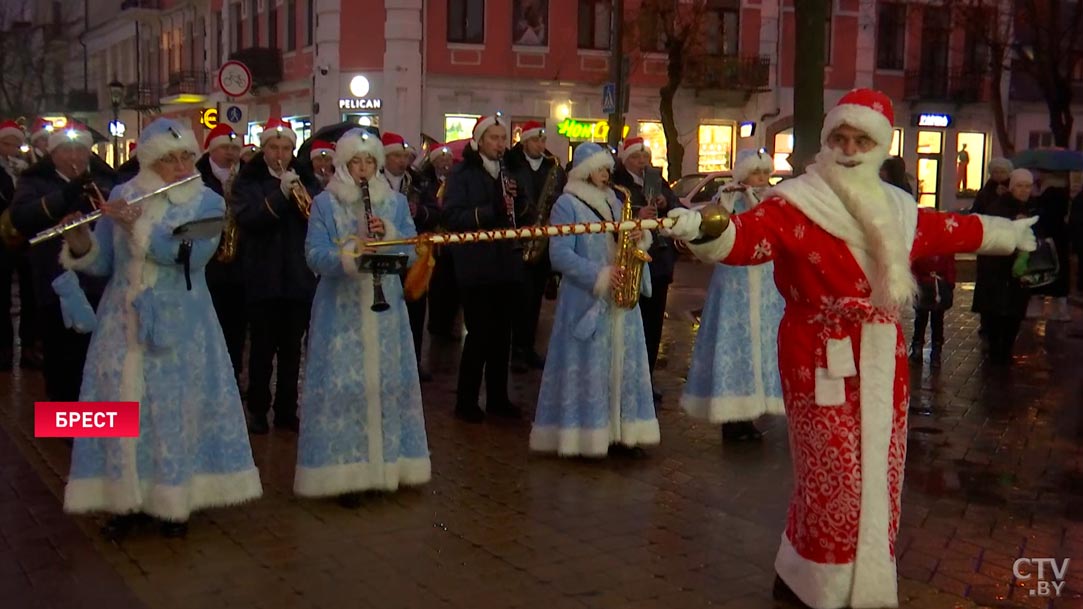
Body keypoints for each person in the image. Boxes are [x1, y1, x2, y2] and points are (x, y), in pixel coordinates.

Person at [664, 89, 1037, 609]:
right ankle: (821, 585)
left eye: (861, 139)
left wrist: (1009, 233)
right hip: (818, 356)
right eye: (839, 137)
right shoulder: (795, 202)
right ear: (826, 143)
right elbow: (748, 238)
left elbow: (952, 229)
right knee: (832, 477)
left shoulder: (899, 210)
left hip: (884, 358)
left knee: (879, 473)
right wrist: (702, 229)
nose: (849, 147)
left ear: (880, 146)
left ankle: (821, 575)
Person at [58, 118, 262, 539]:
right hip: (122, 320)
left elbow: (190, 257)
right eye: (169, 159)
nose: (181, 165)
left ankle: (174, 500)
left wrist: (139, 226)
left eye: (186, 156)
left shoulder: (206, 201)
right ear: (149, 160)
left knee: (174, 410)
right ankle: (122, 500)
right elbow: (104, 264)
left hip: (182, 322)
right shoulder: (121, 194)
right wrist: (80, 241)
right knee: (118, 410)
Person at [295, 128, 430, 505]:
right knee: (345, 388)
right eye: (357, 161)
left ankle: (388, 466)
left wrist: (387, 235)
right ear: (343, 163)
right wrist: (351, 256)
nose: (364, 169)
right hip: (341, 312)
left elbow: (413, 252)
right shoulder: (325, 204)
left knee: (385, 385)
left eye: (370, 162)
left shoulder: (396, 203)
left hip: (386, 309)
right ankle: (344, 473)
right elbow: (314, 256)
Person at [529, 142, 657, 458]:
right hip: (585, 299)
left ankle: (622, 434)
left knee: (621, 367)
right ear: (586, 172)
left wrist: (640, 236)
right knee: (588, 369)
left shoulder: (616, 201)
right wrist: (599, 274)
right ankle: (585, 437)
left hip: (620, 300)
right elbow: (559, 255)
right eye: (601, 169)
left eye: (607, 170)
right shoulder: (566, 205)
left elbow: (623, 239)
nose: (606, 175)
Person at [680, 150, 784, 443]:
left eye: (765, 173)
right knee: (733, 346)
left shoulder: (771, 202)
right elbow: (713, 234)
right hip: (734, 284)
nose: (762, 179)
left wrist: (756, 199)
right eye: (756, 174)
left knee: (760, 349)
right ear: (742, 176)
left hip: (764, 284)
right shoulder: (726, 202)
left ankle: (751, 412)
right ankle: (731, 417)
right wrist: (724, 203)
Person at [10, 122, 116, 401]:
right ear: (53, 154)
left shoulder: (105, 180)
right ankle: (63, 426)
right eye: (67, 150)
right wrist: (64, 197)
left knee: (98, 356)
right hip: (57, 281)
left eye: (80, 150)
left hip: (100, 281)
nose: (74, 158)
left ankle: (98, 425)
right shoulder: (34, 181)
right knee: (62, 358)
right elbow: (22, 217)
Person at [232, 118, 318, 434]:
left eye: (286, 148)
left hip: (297, 277)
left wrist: (300, 192)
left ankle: (286, 410)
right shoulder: (249, 181)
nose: (280, 154)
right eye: (273, 147)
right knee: (262, 350)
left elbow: (316, 219)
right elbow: (250, 218)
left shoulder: (305, 178)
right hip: (262, 277)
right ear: (264, 149)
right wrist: (281, 195)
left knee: (292, 350)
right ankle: (257, 409)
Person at [444, 114, 528, 422]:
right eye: (493, 138)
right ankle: (466, 401)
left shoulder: (508, 172)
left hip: (506, 263)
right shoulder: (462, 173)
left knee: (502, 336)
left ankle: (497, 397)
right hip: (476, 265)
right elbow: (452, 216)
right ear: (479, 141)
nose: (500, 144)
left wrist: (518, 205)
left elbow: (521, 215)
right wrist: (489, 212)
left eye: (502, 138)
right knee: (478, 334)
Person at [611, 137, 679, 401]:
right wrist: (638, 215)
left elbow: (678, 210)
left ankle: (647, 377)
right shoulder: (619, 185)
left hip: (659, 263)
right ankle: (629, 378)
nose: (643, 162)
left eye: (645, 156)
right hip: (634, 262)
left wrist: (667, 204)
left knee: (653, 327)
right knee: (632, 325)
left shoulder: (656, 182)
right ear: (625, 159)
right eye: (637, 157)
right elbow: (615, 218)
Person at [505, 120, 565, 372]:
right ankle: (516, 350)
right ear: (523, 141)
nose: (541, 146)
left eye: (543, 141)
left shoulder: (553, 168)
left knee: (535, 299)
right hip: (519, 238)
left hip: (545, 238)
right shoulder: (510, 165)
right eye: (535, 141)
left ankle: (528, 347)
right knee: (519, 299)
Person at [196, 124, 246, 386]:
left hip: (241, 265)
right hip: (208, 264)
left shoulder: (245, 177)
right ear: (212, 151)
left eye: (234, 148)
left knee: (237, 327)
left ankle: (234, 375)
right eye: (225, 148)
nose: (231, 153)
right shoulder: (198, 177)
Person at [381, 132, 433, 381]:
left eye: (404, 156)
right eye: (395, 156)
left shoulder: (418, 181)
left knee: (416, 310)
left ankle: (414, 361)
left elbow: (436, 211)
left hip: (416, 254)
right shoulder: (376, 182)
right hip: (387, 255)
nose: (402, 161)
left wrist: (420, 211)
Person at [971, 168, 1036, 365]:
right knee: (996, 313)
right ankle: (995, 351)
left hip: (1019, 273)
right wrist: (1012, 226)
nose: (1024, 191)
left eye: (1028, 186)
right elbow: (993, 234)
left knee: (1014, 314)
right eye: (1020, 186)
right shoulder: (999, 207)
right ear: (1012, 187)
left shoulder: (1032, 208)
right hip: (997, 271)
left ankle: (1006, 352)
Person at [0, 119, 40, 370]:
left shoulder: (24, 168)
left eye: (16, 144)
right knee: (3, 295)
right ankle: (3, 348)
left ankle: (28, 346)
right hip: (2, 239)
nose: (13, 148)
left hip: (24, 238)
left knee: (30, 293)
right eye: (8, 143)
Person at [420, 143, 461, 340]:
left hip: (453, 239)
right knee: (437, 285)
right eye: (441, 159)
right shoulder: (426, 183)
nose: (445, 162)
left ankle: (449, 324)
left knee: (453, 285)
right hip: (434, 240)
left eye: (448, 159)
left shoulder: (456, 182)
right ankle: (436, 325)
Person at [1028, 171, 1072, 321]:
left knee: (1042, 268)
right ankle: (1060, 309)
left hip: (1046, 237)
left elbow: (1041, 214)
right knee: (1060, 271)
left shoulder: (1047, 193)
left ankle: (1037, 306)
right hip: (1061, 238)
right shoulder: (1064, 194)